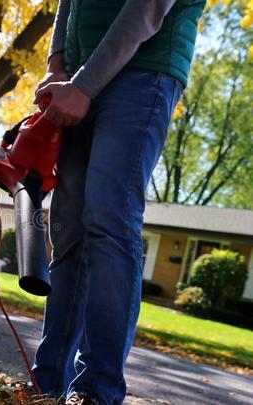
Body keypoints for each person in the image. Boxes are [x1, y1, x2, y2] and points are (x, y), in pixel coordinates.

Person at [32, 0, 206, 404]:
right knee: (70, 230)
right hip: (76, 75)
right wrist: (57, 68)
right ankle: (46, 384)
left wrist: (84, 85)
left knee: (109, 218)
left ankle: (97, 389)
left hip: (143, 73)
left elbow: (147, 7)